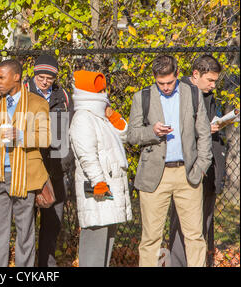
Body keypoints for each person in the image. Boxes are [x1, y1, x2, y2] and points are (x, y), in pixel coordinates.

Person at [127, 55, 212, 267]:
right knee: (151, 238)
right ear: (155, 78)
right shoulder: (142, 97)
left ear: (177, 74)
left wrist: (201, 166)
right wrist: (152, 132)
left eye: (169, 82)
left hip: (188, 174)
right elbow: (132, 135)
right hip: (155, 175)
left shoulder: (192, 94)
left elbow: (204, 133)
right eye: (160, 83)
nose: (165, 87)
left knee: (194, 236)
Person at [0, 59, 51, 267]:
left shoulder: (36, 102)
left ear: (16, 77)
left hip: (24, 177)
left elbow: (46, 138)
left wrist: (21, 136)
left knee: (25, 234)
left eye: (1, 77)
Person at [69, 70, 132, 267]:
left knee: (106, 243)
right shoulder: (83, 118)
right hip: (99, 188)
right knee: (94, 247)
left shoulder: (99, 115)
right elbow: (86, 155)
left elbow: (123, 135)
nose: (104, 90)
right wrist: (98, 182)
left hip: (108, 187)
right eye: (99, 87)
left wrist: (113, 117)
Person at [169, 55, 225, 267]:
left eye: (215, 81)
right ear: (195, 74)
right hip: (186, 168)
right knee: (183, 224)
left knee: (203, 223)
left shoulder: (208, 95)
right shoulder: (177, 92)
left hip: (210, 166)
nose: (213, 85)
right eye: (210, 80)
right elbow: (173, 130)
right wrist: (201, 129)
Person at [25, 54, 74, 267]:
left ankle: (47, 265)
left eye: (49, 78)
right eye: (41, 77)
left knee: (52, 223)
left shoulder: (62, 95)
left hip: (56, 167)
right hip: (29, 167)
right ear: (34, 74)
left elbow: (71, 129)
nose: (45, 81)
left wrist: (66, 160)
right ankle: (25, 265)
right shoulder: (22, 92)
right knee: (26, 223)